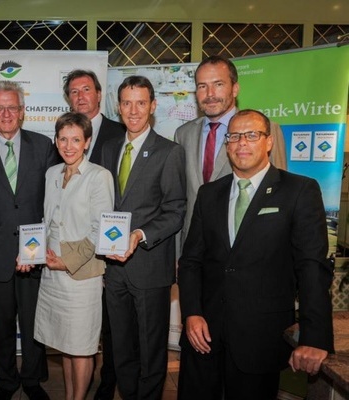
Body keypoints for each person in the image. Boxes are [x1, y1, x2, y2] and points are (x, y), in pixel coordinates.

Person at [177, 109, 334, 400]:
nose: (241, 143)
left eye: (251, 135)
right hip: (204, 334)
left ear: (268, 141)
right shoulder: (208, 193)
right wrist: (192, 313)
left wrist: (315, 337)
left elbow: (312, 267)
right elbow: (190, 262)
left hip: (260, 336)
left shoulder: (299, 190)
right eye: (234, 136)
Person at [0, 81, 57, 400]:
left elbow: (52, 203)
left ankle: (32, 379)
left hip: (34, 253)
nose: (6, 114)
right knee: (1, 325)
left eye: (13, 107)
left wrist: (48, 246)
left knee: (34, 322)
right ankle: (6, 381)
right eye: (0, 108)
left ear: (22, 112)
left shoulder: (44, 146)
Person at [101, 75, 186, 399]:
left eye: (140, 103)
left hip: (150, 267)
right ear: (118, 106)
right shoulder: (109, 149)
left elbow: (175, 210)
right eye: (126, 103)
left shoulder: (169, 152)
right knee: (121, 348)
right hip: (114, 269)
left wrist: (139, 234)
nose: (133, 110)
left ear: (153, 106)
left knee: (151, 352)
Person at [18, 112, 114, 400]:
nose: (68, 146)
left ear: (87, 142)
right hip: (51, 274)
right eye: (63, 139)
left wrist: (67, 261)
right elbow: (46, 222)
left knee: (82, 347)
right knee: (65, 346)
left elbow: (101, 231)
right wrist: (30, 253)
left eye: (75, 139)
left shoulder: (99, 176)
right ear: (56, 141)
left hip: (80, 276)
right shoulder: (51, 174)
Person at [174, 55, 287, 245]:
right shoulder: (183, 134)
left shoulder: (265, 130)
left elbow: (281, 194)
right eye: (202, 86)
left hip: (248, 246)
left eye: (218, 84)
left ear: (235, 88)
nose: (210, 94)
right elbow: (180, 201)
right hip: (194, 247)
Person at [63, 70, 125, 400]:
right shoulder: (63, 139)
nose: (81, 96)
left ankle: (107, 383)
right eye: (74, 92)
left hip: (114, 246)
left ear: (100, 94)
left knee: (111, 326)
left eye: (86, 89)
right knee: (80, 331)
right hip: (77, 254)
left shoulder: (120, 132)